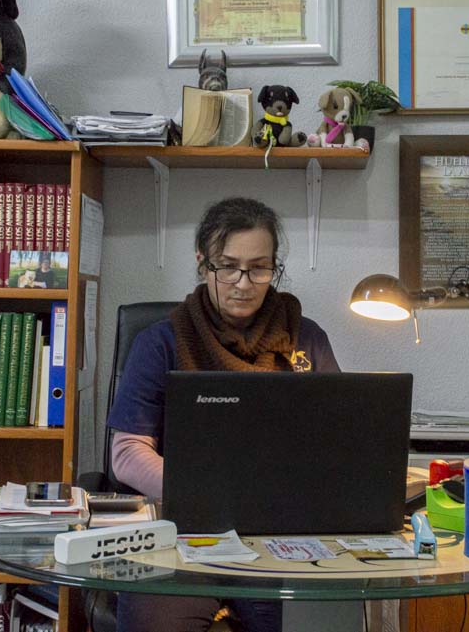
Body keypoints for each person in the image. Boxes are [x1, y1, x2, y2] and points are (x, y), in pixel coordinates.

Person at [106, 197, 340, 632]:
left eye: (259, 267)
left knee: (318, 617)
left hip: (283, 537)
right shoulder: (162, 342)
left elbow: (335, 442)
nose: (243, 282)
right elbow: (126, 452)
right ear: (202, 264)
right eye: (227, 266)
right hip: (183, 534)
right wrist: (207, 497)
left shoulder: (306, 338)